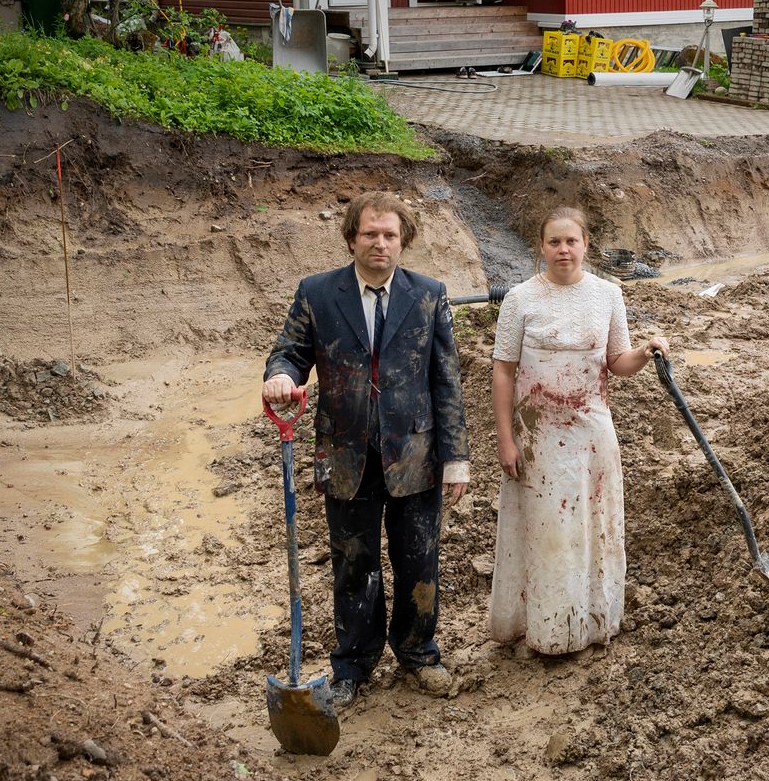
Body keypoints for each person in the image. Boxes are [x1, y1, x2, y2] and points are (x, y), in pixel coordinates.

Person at [264, 191, 469, 705]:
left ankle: (419, 653)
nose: (380, 243)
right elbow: (289, 352)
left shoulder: (429, 295)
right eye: (370, 233)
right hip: (345, 453)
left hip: (415, 454)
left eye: (390, 235)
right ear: (352, 237)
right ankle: (353, 664)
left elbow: (446, 381)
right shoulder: (317, 293)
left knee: (418, 559)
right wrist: (280, 377)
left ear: (404, 241)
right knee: (353, 562)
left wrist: (456, 457)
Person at [489, 207, 667, 657]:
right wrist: (506, 438)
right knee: (547, 528)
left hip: (592, 431)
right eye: (554, 242)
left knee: (591, 524)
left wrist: (645, 352)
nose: (563, 250)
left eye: (571, 241)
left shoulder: (607, 294)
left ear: (586, 245)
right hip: (538, 433)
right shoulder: (520, 299)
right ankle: (546, 629)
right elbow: (504, 372)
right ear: (541, 247)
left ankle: (591, 622)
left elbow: (617, 362)